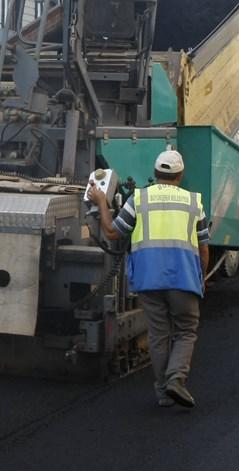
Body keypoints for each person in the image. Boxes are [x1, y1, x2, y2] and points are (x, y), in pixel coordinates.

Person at [88, 149, 211, 410]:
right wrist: (201, 276)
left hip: (148, 279)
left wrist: (100, 201)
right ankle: (176, 379)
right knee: (186, 330)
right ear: (180, 175)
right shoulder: (194, 202)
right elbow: (203, 247)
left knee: (158, 335)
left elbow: (111, 233)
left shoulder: (139, 199)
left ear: (156, 175)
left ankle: (163, 393)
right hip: (184, 279)